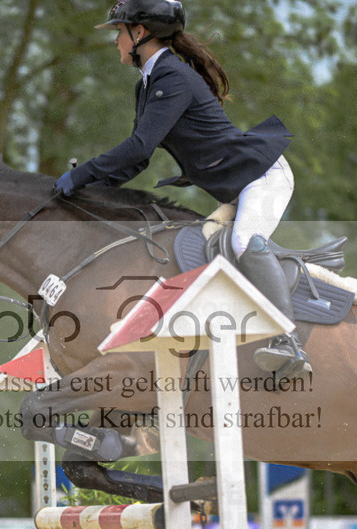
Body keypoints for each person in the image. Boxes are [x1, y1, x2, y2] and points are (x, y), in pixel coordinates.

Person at [54, 0, 309, 379]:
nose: (116, 42)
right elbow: (139, 159)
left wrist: (82, 174)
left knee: (243, 241)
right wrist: (92, 188)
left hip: (264, 175)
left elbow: (139, 147)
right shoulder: (150, 83)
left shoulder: (171, 77)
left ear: (139, 33)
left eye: (119, 33)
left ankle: (289, 343)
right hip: (239, 185)